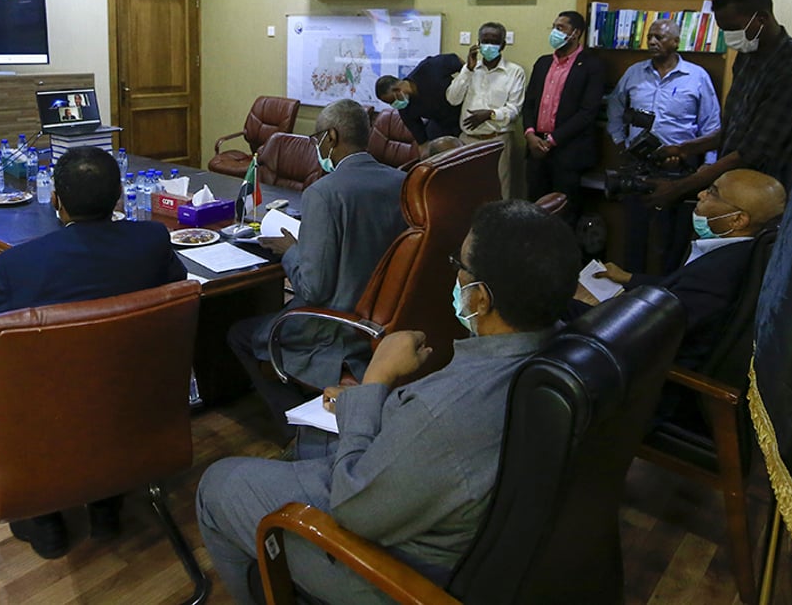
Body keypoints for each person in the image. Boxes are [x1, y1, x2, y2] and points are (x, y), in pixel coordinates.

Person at [198, 199, 581, 605]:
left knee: (217, 484)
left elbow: (351, 506)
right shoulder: (563, 354)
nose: (455, 276)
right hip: (451, 516)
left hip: (399, 569)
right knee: (311, 441)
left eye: (460, 266)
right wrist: (364, 405)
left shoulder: (447, 411)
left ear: (481, 298)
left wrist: (377, 375)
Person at [0, 146, 187, 559]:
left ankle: (43, 517)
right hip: (133, 403)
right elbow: (171, 296)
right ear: (119, 197)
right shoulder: (152, 240)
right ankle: (107, 504)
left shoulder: (20, 264)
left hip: (51, 418)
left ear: (56, 201)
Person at [228, 99, 407, 442]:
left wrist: (291, 250)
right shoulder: (401, 182)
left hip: (334, 326)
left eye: (316, 140)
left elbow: (313, 288)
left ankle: (296, 429)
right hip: (382, 319)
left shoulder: (324, 193)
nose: (316, 148)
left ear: (332, 137)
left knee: (239, 334)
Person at [582, 168, 785, 371]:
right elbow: (677, 291)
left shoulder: (714, 277)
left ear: (737, 220)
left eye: (712, 193)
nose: (700, 194)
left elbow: (641, 333)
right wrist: (628, 278)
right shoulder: (735, 251)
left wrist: (589, 309)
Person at [647, 0, 792, 205]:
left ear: (761, 18)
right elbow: (735, 129)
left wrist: (680, 187)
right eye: (723, 30)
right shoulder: (747, 55)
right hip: (730, 183)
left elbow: (753, 152)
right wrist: (684, 149)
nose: (729, 37)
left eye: (733, 29)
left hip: (764, 194)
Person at [607, 18, 721, 273]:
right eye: (650, 37)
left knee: (671, 239)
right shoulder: (634, 72)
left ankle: (665, 290)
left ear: (676, 42)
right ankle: (629, 289)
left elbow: (712, 125)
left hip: (679, 170)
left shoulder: (697, 76)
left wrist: (708, 166)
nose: (653, 42)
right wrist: (619, 139)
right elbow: (615, 105)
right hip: (639, 166)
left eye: (659, 37)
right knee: (635, 234)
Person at [521, 10, 607, 218]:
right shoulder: (543, 63)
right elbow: (529, 103)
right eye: (554, 27)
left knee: (564, 213)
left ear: (575, 33)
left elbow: (587, 112)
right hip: (536, 149)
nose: (555, 33)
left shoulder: (591, 65)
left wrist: (551, 140)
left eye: (560, 28)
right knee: (534, 210)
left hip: (568, 151)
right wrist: (530, 135)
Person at [444, 21, 526, 199]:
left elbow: (514, 110)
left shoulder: (514, 72)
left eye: (494, 41)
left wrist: (490, 114)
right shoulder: (470, 69)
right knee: (465, 193)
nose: (489, 45)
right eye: (485, 40)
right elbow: (452, 99)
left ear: (502, 45)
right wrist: (468, 69)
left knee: (498, 193)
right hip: (467, 140)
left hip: (497, 141)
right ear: (478, 43)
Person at [375, 53, 463, 156]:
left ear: (397, 90)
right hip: (442, 124)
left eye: (392, 101)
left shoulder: (428, 69)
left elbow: (458, 62)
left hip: (463, 111)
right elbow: (422, 142)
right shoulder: (405, 108)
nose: (394, 105)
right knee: (434, 151)